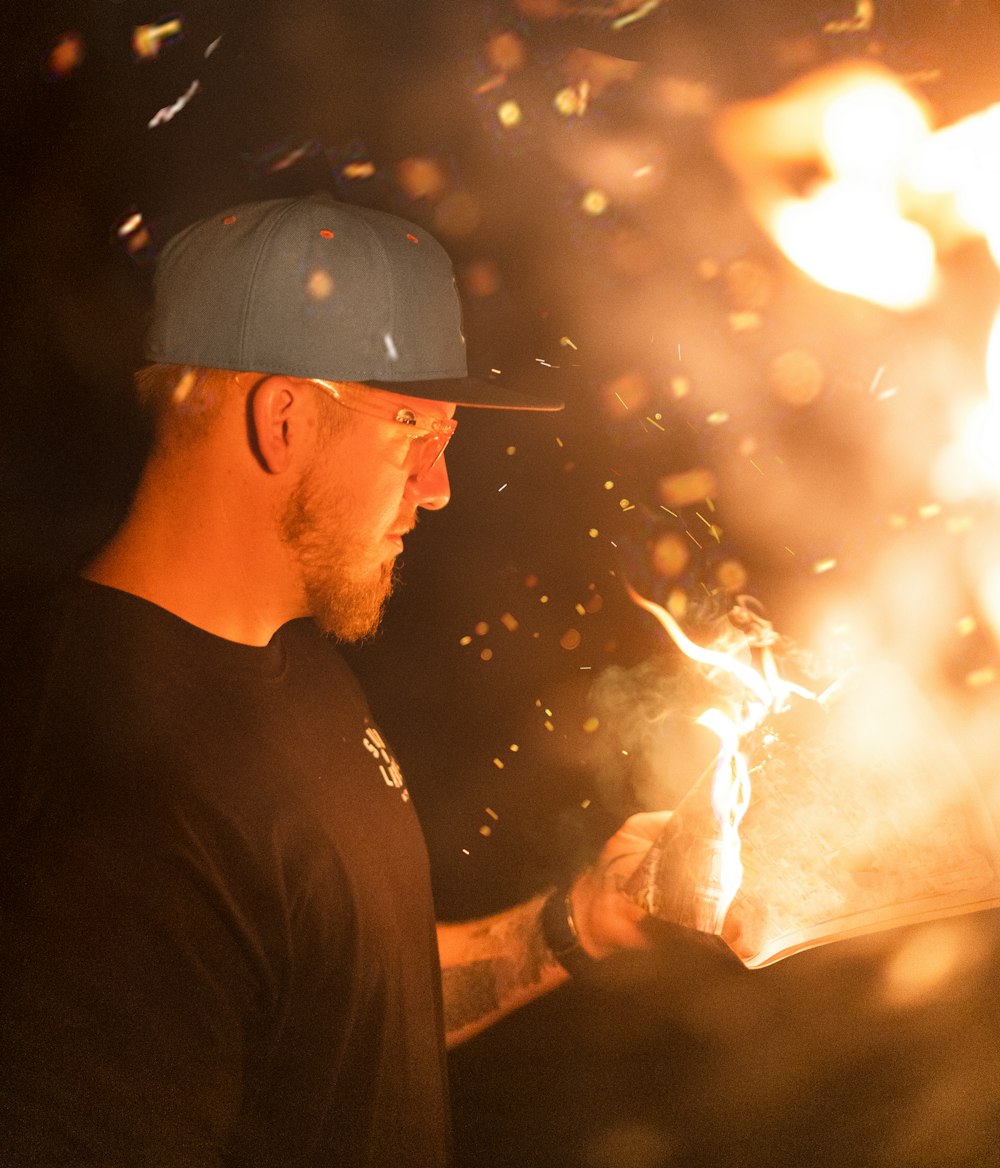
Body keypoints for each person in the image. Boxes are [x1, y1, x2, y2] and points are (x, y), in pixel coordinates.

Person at [0, 193, 671, 1167]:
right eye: (413, 430)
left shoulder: (288, 656)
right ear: (282, 417)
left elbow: (330, 999)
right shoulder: (113, 799)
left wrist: (582, 920)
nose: (438, 485)